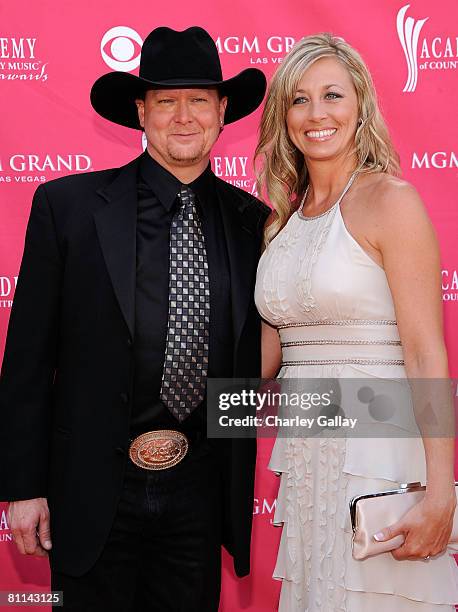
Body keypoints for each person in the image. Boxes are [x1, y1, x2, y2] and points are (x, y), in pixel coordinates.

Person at [0, 26, 269, 611]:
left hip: (200, 489)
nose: (183, 116)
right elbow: (27, 358)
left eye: (199, 99)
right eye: (165, 100)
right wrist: (23, 488)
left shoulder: (256, 223)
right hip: (94, 488)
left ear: (224, 112)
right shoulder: (67, 208)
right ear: (140, 111)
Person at [254, 33, 458, 611]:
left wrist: (441, 490)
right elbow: (262, 365)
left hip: (379, 448)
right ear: (282, 116)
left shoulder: (391, 201)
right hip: (305, 453)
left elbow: (425, 353)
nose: (316, 114)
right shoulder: (282, 224)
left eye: (332, 95)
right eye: (299, 99)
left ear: (361, 105)